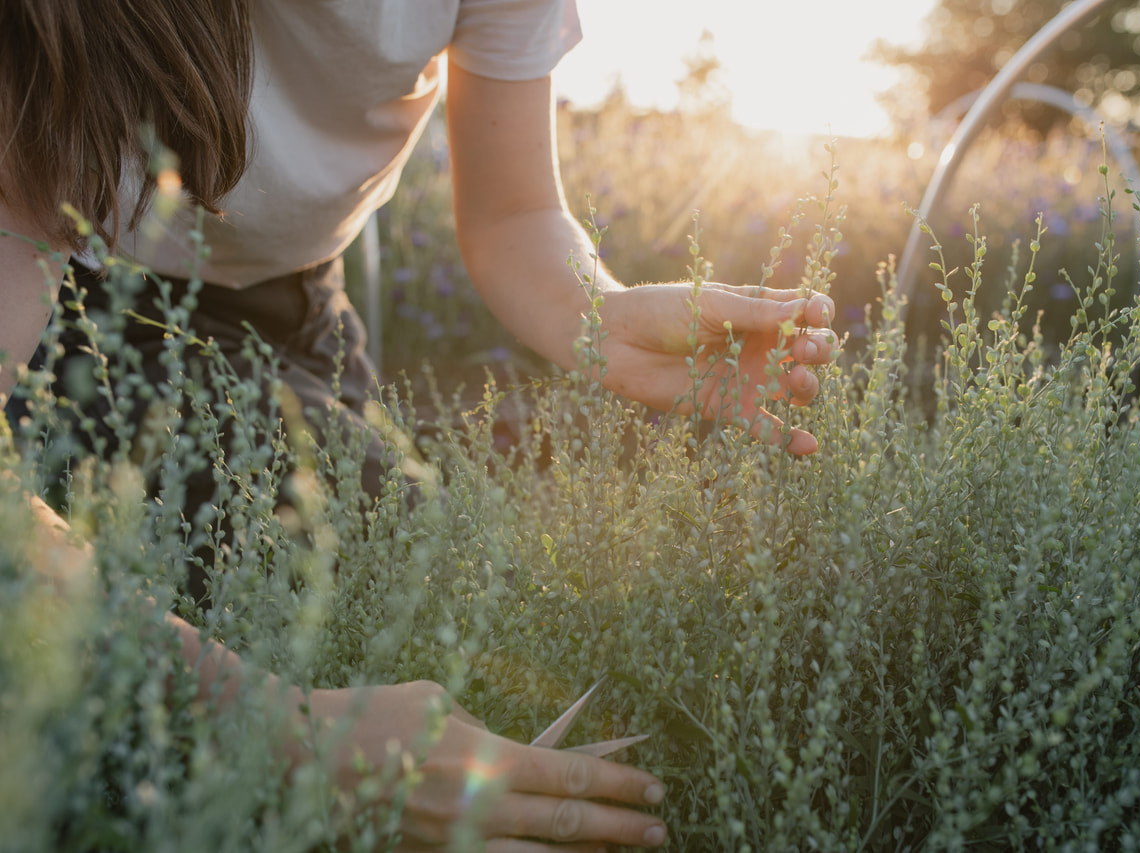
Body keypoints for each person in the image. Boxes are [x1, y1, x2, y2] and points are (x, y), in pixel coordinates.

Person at [0, 1, 838, 849]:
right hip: (77, 298)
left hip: (297, 307)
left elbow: (515, 212)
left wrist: (600, 315)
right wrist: (282, 731)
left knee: (429, 577)